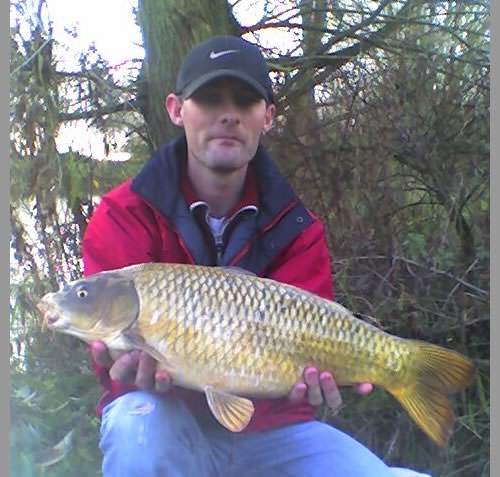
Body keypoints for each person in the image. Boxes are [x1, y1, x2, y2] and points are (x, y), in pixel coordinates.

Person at [82, 35, 431, 477]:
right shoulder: (123, 214)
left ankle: (406, 367)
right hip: (165, 421)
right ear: (176, 109)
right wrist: (118, 367)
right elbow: (107, 355)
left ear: (267, 117)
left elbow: (307, 360)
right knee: (137, 430)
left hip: (273, 432)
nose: (228, 114)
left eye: (246, 100)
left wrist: (313, 386)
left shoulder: (299, 229)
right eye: (209, 98)